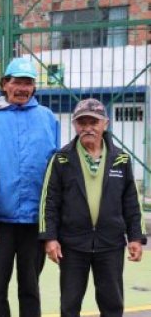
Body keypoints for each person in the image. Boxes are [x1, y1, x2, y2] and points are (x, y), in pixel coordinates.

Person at [39, 98, 147, 317]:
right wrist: (50, 238)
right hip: (72, 244)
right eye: (82, 122)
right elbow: (48, 202)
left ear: (105, 124)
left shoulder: (121, 159)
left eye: (93, 122)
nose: (87, 128)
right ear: (74, 125)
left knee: (112, 304)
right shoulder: (61, 159)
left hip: (111, 244)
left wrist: (136, 237)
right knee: (69, 305)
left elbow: (132, 204)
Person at [0, 57, 60, 317]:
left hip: (35, 221)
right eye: (17, 82)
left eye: (28, 83)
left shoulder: (47, 119)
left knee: (30, 285)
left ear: (34, 87)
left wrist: (51, 220)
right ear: (4, 85)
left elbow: (55, 173)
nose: (22, 88)